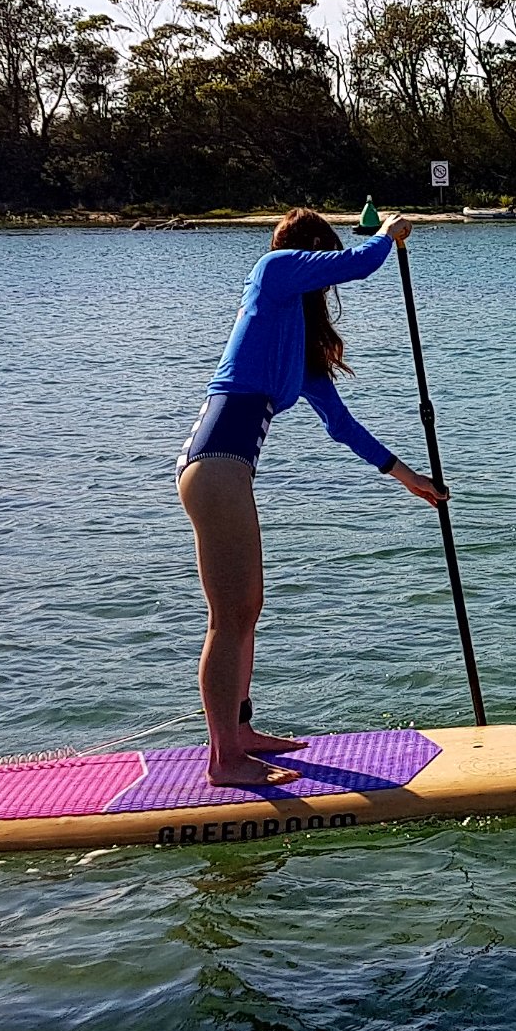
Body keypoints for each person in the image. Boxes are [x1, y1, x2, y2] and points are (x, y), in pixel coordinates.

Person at [176, 207, 445, 788]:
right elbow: (359, 261)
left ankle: (240, 734)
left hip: (229, 471)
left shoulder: (296, 339)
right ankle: (224, 760)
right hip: (214, 465)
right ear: (306, 252)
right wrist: (387, 233)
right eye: (319, 259)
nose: (324, 275)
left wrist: (410, 478)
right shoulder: (272, 270)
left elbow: (343, 427)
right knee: (228, 617)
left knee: (247, 610)